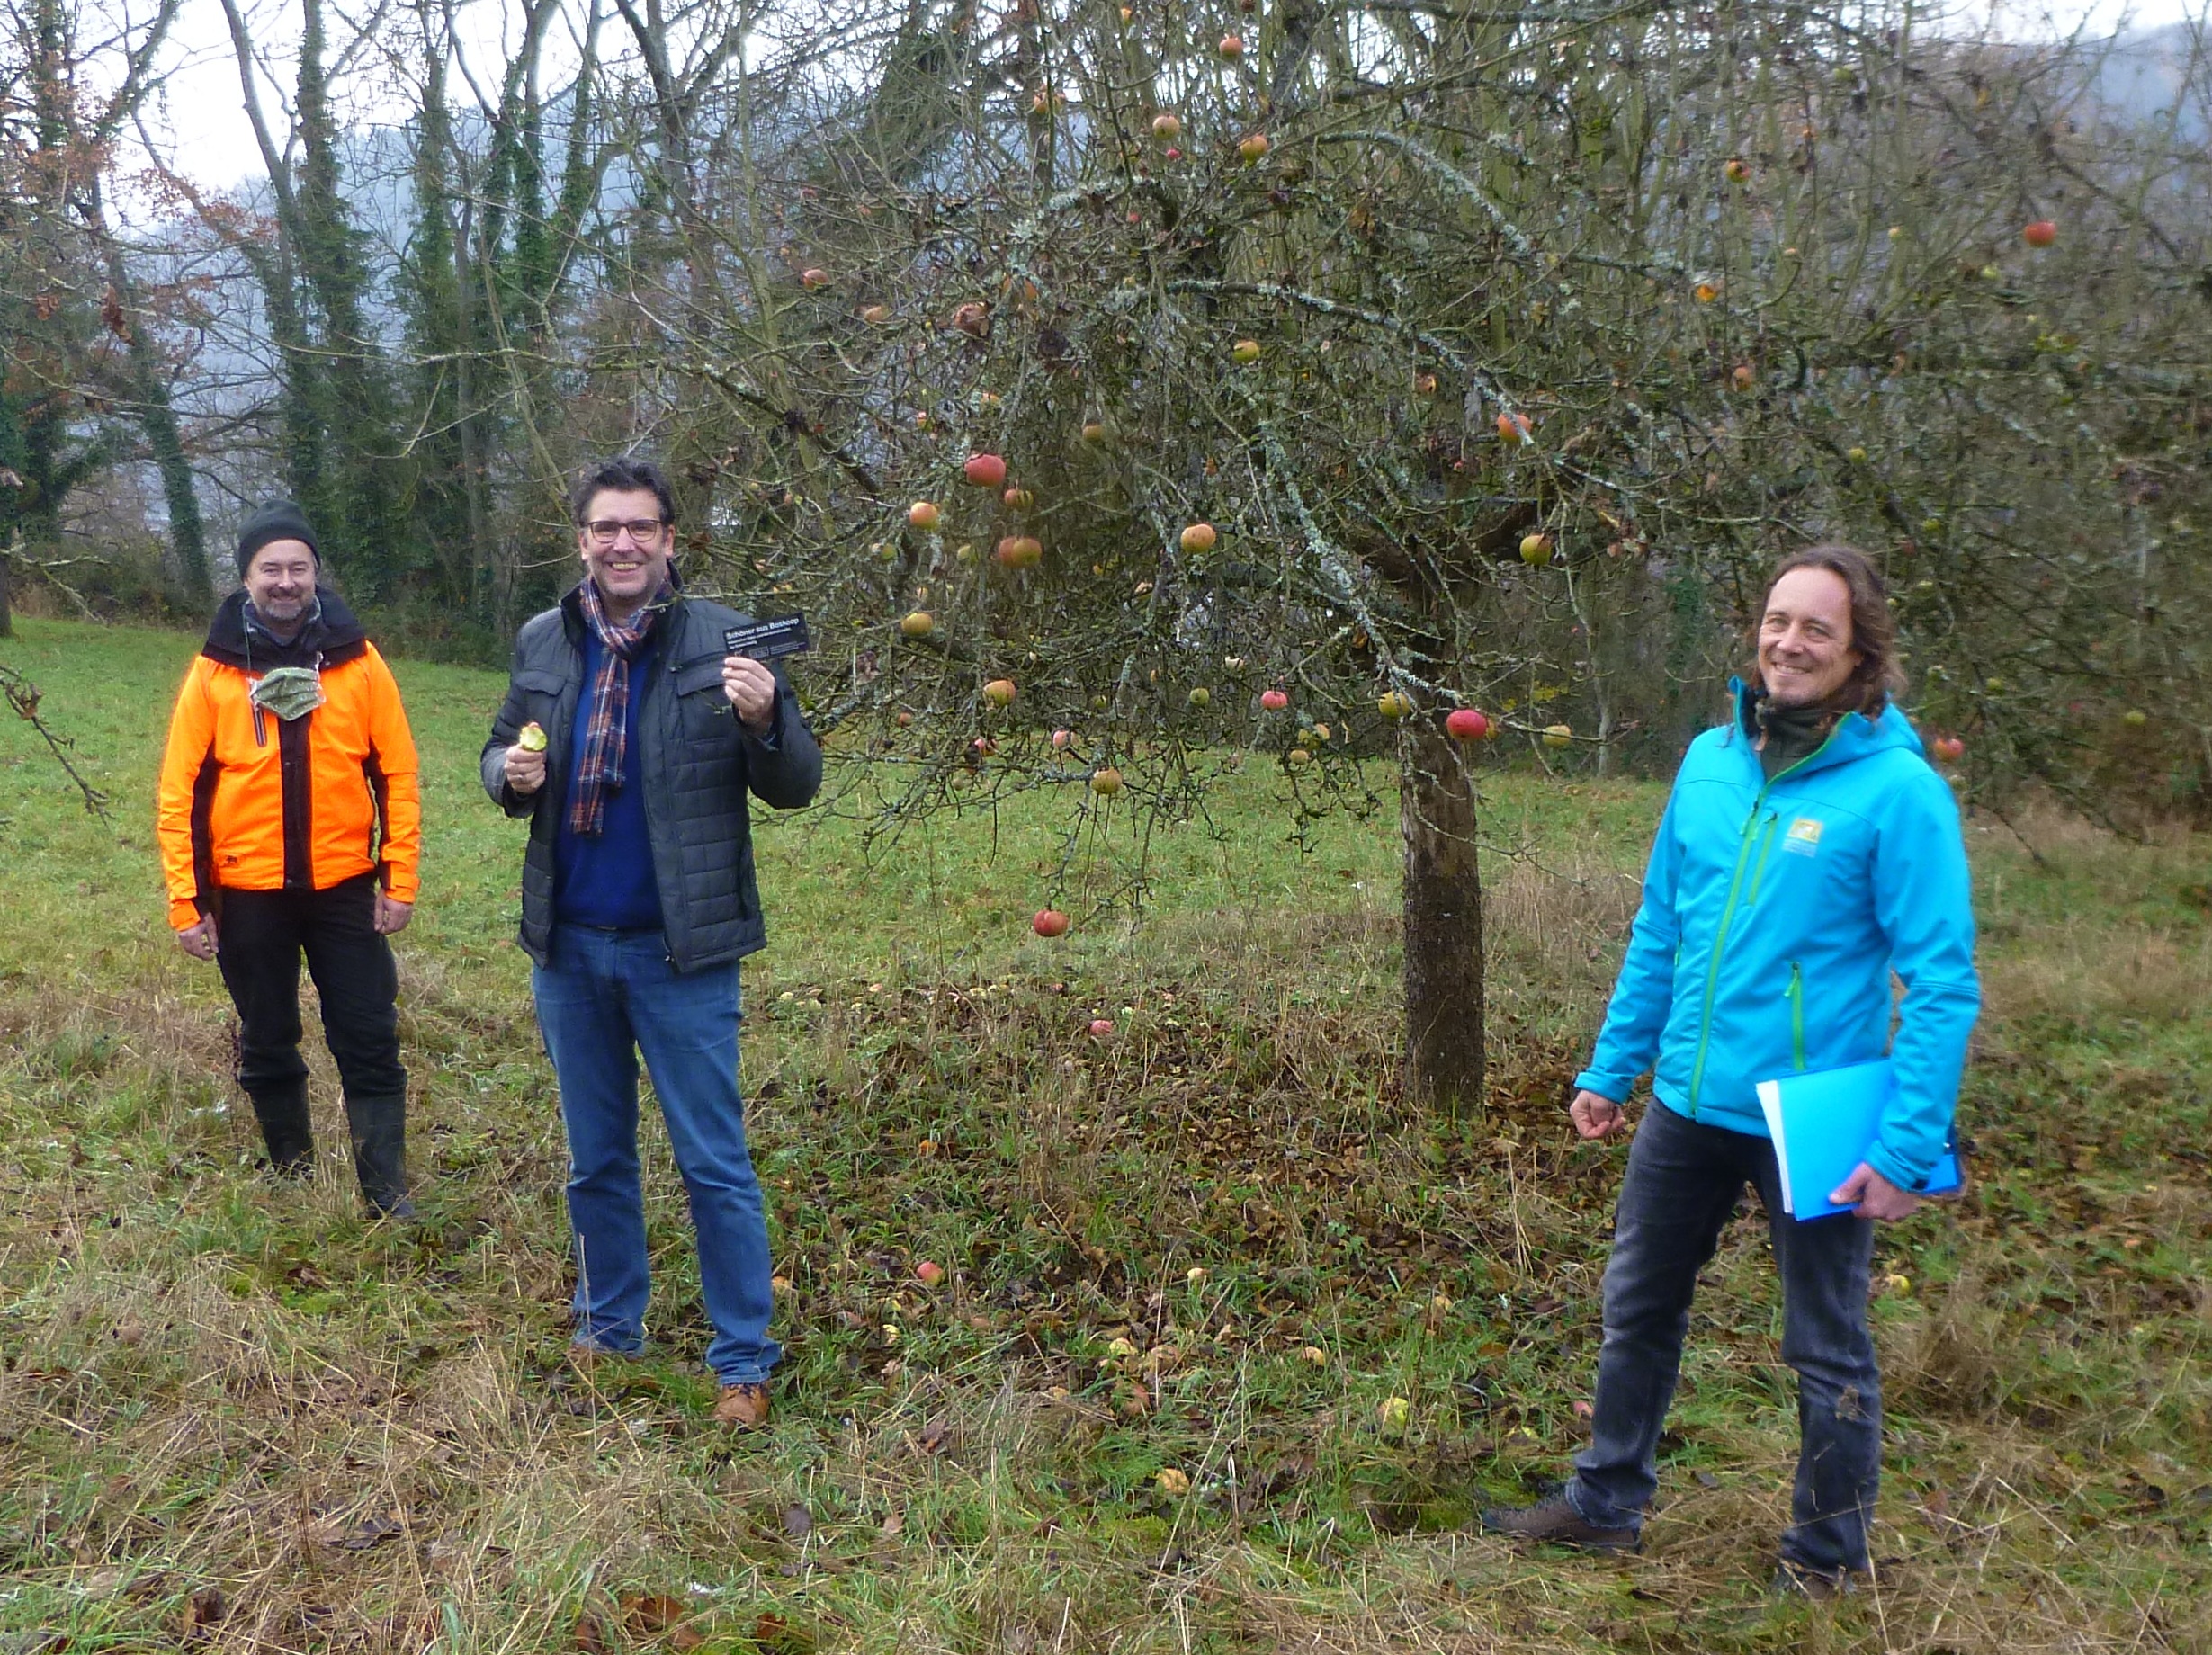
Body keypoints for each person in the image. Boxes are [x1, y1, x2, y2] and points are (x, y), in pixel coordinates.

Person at [1482, 544, 1980, 1595]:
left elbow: (1941, 983)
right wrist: (1612, 1066)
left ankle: (1824, 1558)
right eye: (1775, 620)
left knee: (1826, 1347)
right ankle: (1604, 1501)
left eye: (1815, 628)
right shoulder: (1709, 760)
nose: (1788, 642)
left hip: (1812, 1114)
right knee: (1637, 1307)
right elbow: (1662, 923)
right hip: (1686, 1102)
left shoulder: (1898, 793)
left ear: (1857, 654)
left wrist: (1903, 1145)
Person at [481, 455, 821, 1429]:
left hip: (683, 954)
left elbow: (796, 783)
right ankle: (609, 1328)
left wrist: (764, 720)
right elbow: (498, 751)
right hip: (570, 947)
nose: (621, 543)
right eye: (604, 528)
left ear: (671, 542)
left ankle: (742, 1360)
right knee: (596, 1159)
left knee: (712, 1161)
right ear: (581, 540)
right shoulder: (545, 641)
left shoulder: (726, 644)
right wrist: (504, 772)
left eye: (640, 528)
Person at [157, 500, 422, 1217]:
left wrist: (398, 880)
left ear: (315, 575)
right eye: (269, 568)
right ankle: (292, 1174)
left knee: (368, 1036)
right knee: (268, 1036)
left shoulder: (359, 662)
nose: (284, 581)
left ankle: (384, 1188)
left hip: (344, 889)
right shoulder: (213, 673)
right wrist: (188, 903)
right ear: (245, 578)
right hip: (246, 894)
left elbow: (396, 772)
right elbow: (177, 791)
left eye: (296, 567)